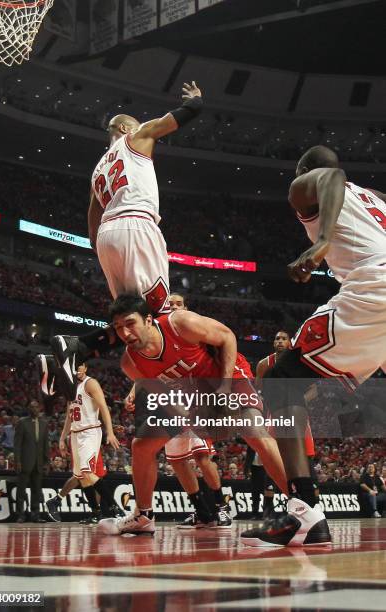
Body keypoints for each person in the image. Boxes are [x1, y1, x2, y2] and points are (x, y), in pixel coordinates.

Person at [241, 145, 386, 546]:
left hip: (375, 288)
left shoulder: (311, 182)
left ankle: (303, 512)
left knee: (280, 376)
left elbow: (331, 177)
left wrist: (321, 242)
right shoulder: (373, 197)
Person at [40, 82, 204, 402]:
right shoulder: (137, 136)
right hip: (136, 226)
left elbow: (92, 212)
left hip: (106, 235)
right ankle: (79, 346)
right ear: (126, 127)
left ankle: (74, 351)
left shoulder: (99, 168)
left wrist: (97, 244)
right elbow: (178, 119)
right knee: (155, 310)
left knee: (130, 315)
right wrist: (195, 102)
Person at [98, 294, 287, 536]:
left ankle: (303, 508)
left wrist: (224, 387)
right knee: (142, 446)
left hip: (224, 373)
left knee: (255, 433)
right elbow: (164, 395)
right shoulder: (130, 363)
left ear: (147, 320)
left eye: (130, 323)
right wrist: (186, 414)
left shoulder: (181, 324)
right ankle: (144, 515)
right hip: (188, 394)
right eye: (118, 328)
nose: (125, 333)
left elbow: (228, 337)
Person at [125, 292, 231, 529]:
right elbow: (146, 371)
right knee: (177, 460)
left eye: (179, 304)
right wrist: (134, 390)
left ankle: (222, 508)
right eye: (170, 303)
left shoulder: (188, 327)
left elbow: (220, 344)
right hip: (172, 401)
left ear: (186, 307)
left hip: (197, 397)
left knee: (202, 457)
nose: (174, 307)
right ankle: (203, 512)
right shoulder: (151, 338)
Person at [256, 330, 318, 519]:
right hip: (274, 414)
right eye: (277, 338)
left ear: (291, 342)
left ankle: (312, 505)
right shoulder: (264, 364)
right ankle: (268, 509)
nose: (280, 341)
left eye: (284, 338)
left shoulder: (300, 361)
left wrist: (296, 401)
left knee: (305, 459)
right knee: (273, 459)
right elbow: (259, 390)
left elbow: (313, 390)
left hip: (296, 412)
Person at [46, 364, 120, 524]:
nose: (77, 370)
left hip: (90, 431)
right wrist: (62, 437)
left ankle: (115, 508)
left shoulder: (91, 383)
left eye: (79, 367)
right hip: (75, 433)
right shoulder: (71, 387)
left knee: (88, 473)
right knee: (82, 477)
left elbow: (103, 408)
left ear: (85, 368)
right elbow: (69, 415)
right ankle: (96, 513)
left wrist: (110, 431)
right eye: (74, 367)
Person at [14, 400, 49, 523]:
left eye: (36, 407)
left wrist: (46, 463)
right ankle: (20, 515)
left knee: (36, 490)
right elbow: (17, 444)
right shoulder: (22, 423)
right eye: (32, 407)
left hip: (39, 463)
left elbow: (46, 445)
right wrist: (17, 461)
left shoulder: (44, 424)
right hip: (25, 462)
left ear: (39, 408)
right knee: (21, 491)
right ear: (28, 409)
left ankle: (35, 515)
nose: (34, 409)